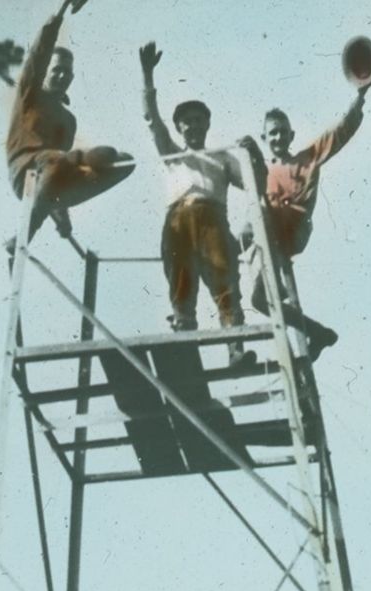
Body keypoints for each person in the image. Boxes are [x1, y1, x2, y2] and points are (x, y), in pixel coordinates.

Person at [139, 41, 265, 368]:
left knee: (225, 281)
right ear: (179, 127)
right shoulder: (173, 154)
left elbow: (256, 185)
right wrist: (147, 75)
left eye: (199, 120)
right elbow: (152, 120)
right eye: (187, 121)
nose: (193, 126)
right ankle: (184, 356)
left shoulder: (222, 157)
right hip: (179, 220)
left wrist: (254, 153)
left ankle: (235, 351)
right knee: (181, 285)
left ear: (207, 125)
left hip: (213, 221)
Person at [246, 84, 371, 359]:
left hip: (294, 227)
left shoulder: (307, 159)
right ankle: (317, 332)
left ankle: (273, 273)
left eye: (282, 131)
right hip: (271, 235)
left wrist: (359, 97)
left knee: (261, 216)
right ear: (265, 137)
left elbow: (338, 132)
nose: (278, 137)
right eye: (272, 133)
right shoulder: (263, 172)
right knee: (258, 300)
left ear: (291, 134)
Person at [6, 0, 134, 242]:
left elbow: (58, 173)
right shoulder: (30, 94)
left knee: (125, 162)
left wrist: (64, 218)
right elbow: (39, 53)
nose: (62, 75)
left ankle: (89, 159)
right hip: (26, 170)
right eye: (56, 70)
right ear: (46, 74)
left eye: (67, 73)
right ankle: (26, 232)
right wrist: (62, 10)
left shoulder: (67, 119)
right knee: (57, 161)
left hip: (54, 175)